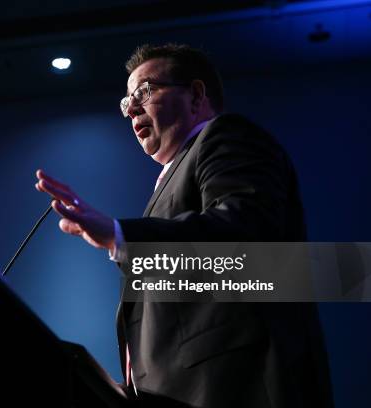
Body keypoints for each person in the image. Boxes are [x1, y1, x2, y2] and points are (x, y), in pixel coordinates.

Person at [35, 43, 333, 408]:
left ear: (195, 95)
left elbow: (245, 237)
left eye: (144, 92)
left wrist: (119, 235)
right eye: (126, 101)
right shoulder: (164, 186)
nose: (131, 109)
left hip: (238, 390)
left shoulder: (226, 136)